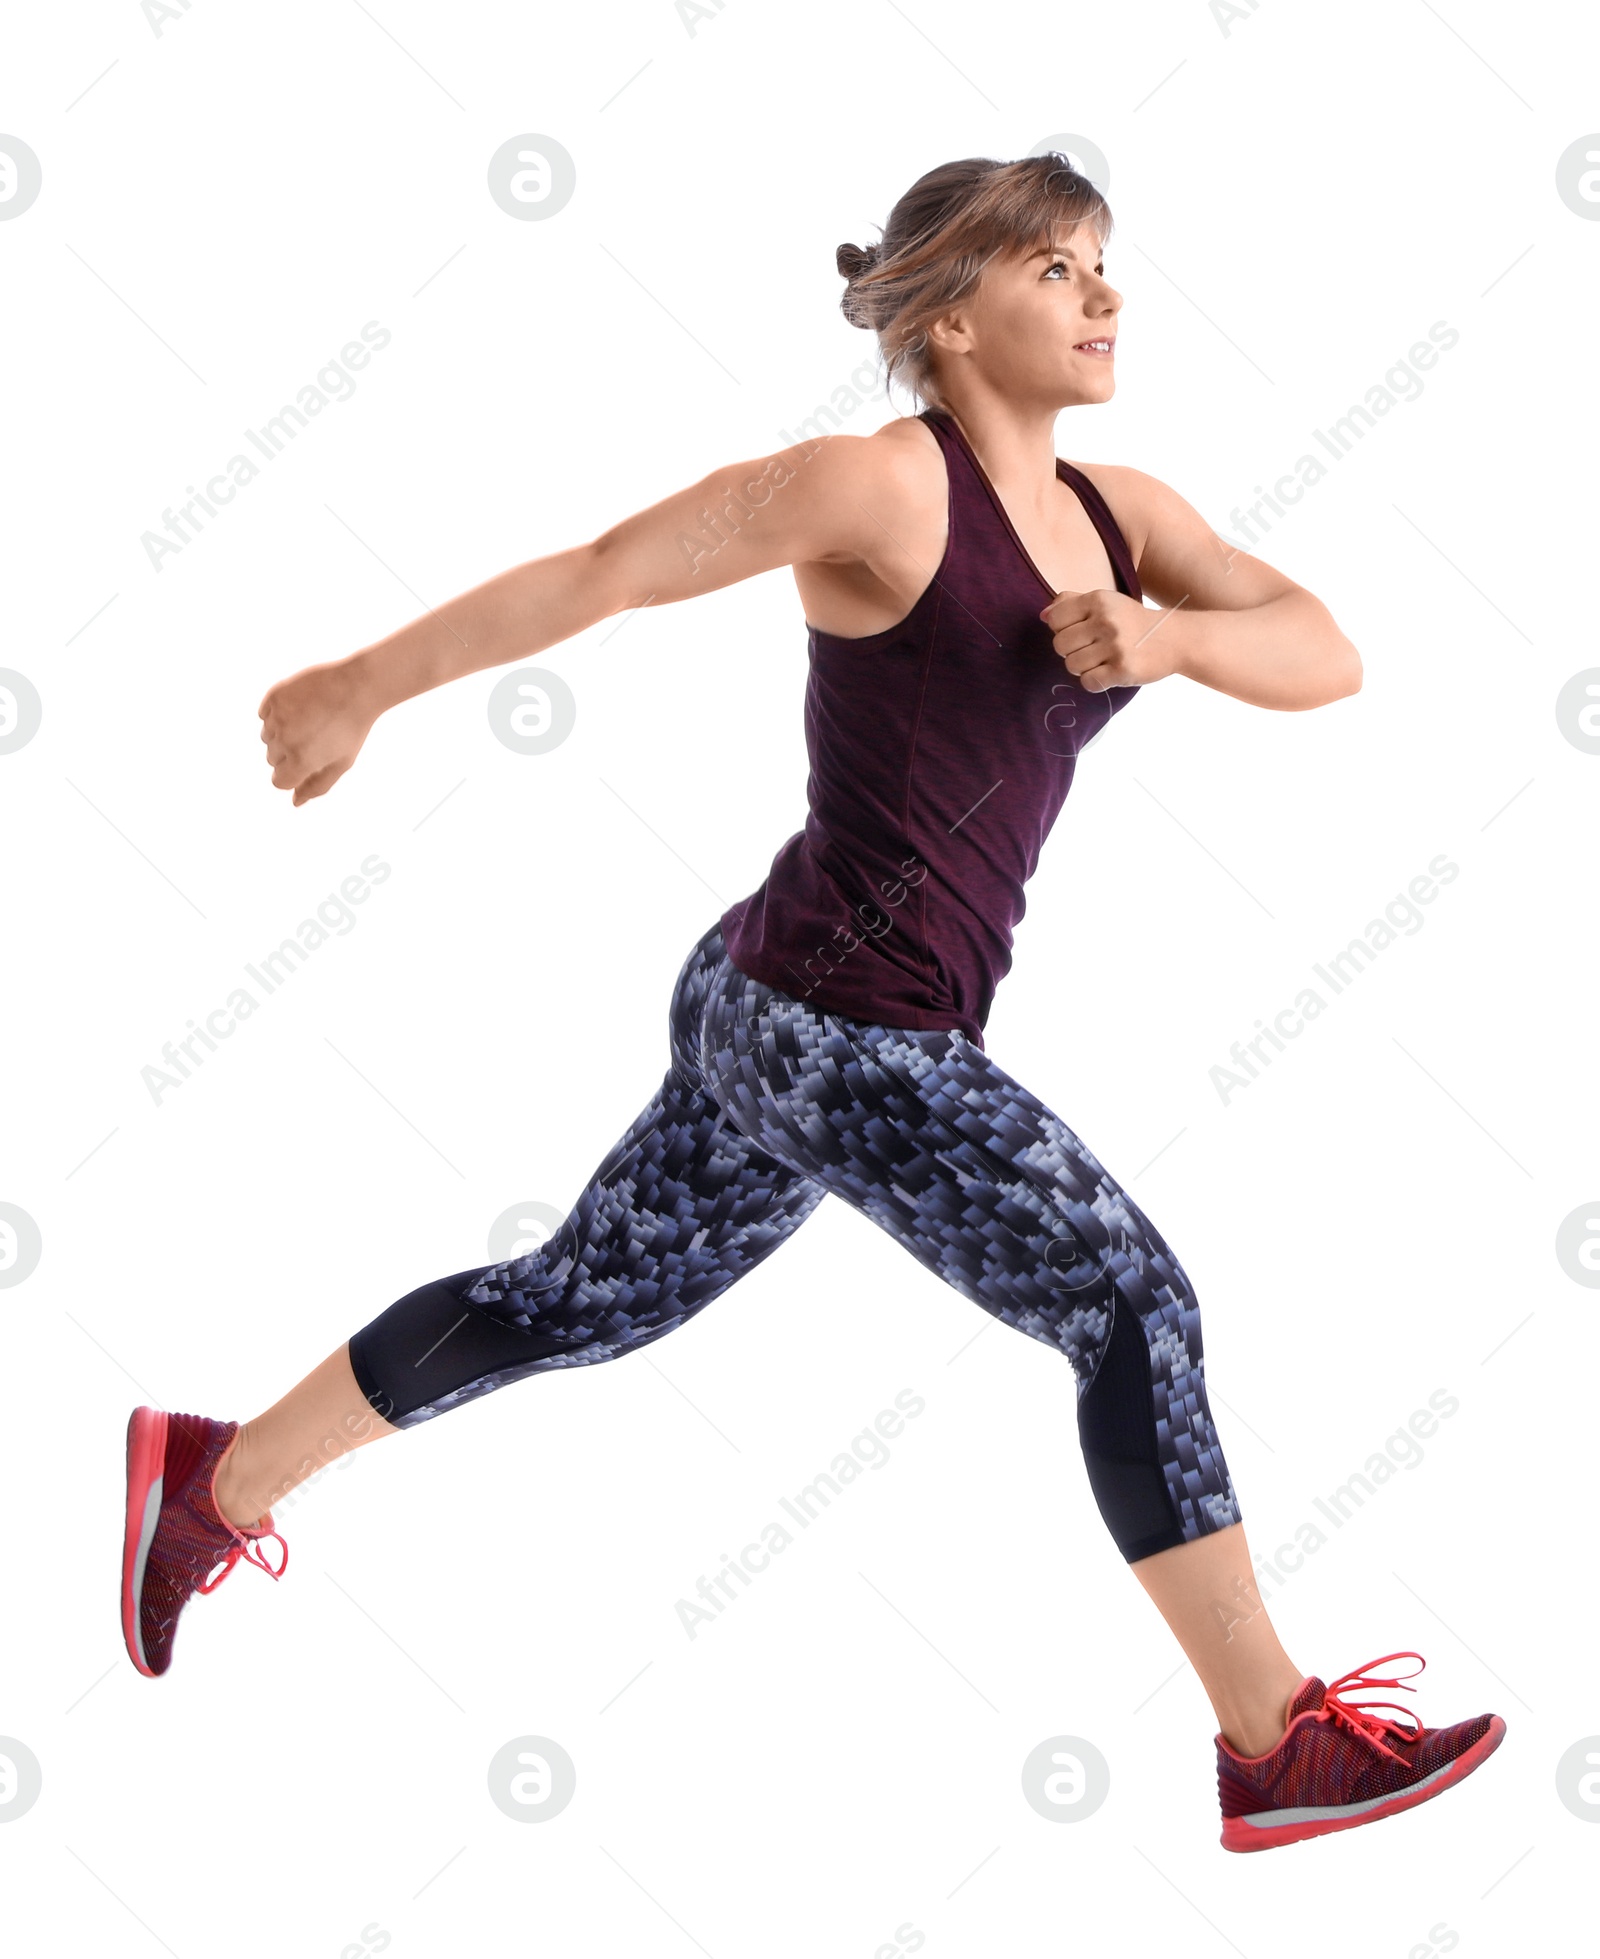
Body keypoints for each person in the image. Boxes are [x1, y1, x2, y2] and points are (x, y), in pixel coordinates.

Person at [120, 154, 1503, 1851]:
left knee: (576, 1298)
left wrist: (1171, 643)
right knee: (1132, 1305)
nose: (1104, 295)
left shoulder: (1125, 516)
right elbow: (612, 567)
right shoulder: (874, 487)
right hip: (842, 1033)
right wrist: (360, 686)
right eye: (1057, 269)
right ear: (947, 314)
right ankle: (1271, 1740)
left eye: (1102, 266)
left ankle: (217, 1476)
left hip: (773, 998)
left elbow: (1324, 649)